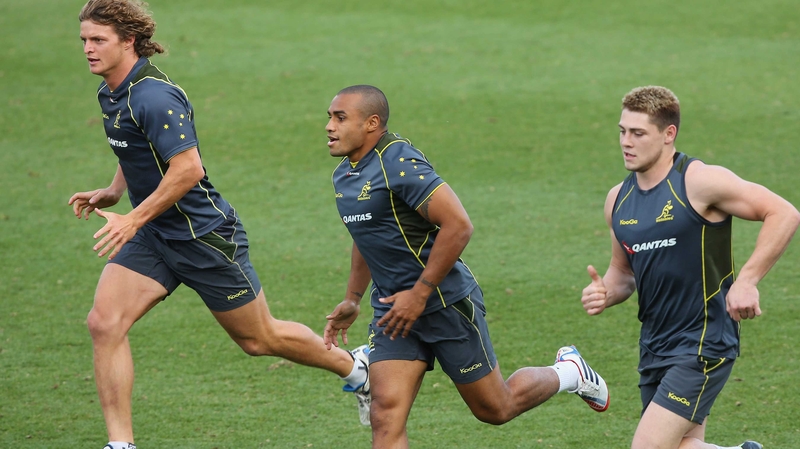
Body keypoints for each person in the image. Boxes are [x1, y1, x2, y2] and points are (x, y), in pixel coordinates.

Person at [70, 2, 370, 448]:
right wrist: (116, 191)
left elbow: (187, 169)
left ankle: (356, 368)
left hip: (203, 237)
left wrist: (132, 216)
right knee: (104, 323)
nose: (88, 50)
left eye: (98, 40)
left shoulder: (154, 96)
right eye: (84, 41)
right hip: (156, 234)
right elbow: (135, 147)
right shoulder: (111, 90)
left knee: (259, 339)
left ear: (127, 41)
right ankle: (121, 444)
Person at [321, 85, 609, 448]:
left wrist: (420, 293)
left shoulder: (398, 161)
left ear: (371, 123)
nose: (330, 126)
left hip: (444, 302)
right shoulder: (344, 176)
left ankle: (570, 372)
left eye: (340, 117)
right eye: (329, 117)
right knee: (385, 413)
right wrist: (352, 297)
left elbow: (459, 225)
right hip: (394, 310)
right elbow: (369, 234)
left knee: (495, 409)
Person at [581, 86, 800, 449]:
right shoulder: (617, 200)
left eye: (638, 133)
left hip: (702, 341)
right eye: (622, 131)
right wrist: (604, 292)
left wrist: (747, 280)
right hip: (654, 345)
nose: (626, 142)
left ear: (669, 134)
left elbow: (783, 213)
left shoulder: (697, 181)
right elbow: (622, 274)